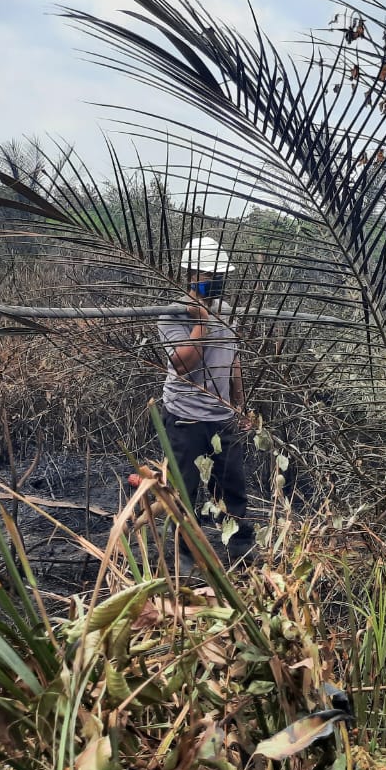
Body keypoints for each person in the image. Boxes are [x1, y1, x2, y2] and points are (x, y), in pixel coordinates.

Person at [157, 236, 256, 562]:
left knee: (232, 487)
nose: (214, 282)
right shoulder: (171, 314)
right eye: (206, 275)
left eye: (218, 275)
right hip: (185, 418)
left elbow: (233, 358)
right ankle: (185, 556)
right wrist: (200, 322)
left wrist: (238, 405)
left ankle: (241, 549)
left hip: (222, 415)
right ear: (189, 274)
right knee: (184, 491)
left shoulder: (226, 311)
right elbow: (183, 365)